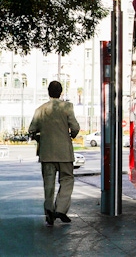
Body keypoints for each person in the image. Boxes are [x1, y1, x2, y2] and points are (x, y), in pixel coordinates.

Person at [28, 80, 80, 227]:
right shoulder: (67, 107)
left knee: (48, 184)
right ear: (61, 92)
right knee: (67, 179)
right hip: (64, 152)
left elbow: (32, 129)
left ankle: (49, 211)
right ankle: (61, 209)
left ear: (48, 92)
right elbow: (75, 127)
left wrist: (40, 137)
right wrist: (71, 135)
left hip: (47, 153)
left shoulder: (40, 110)